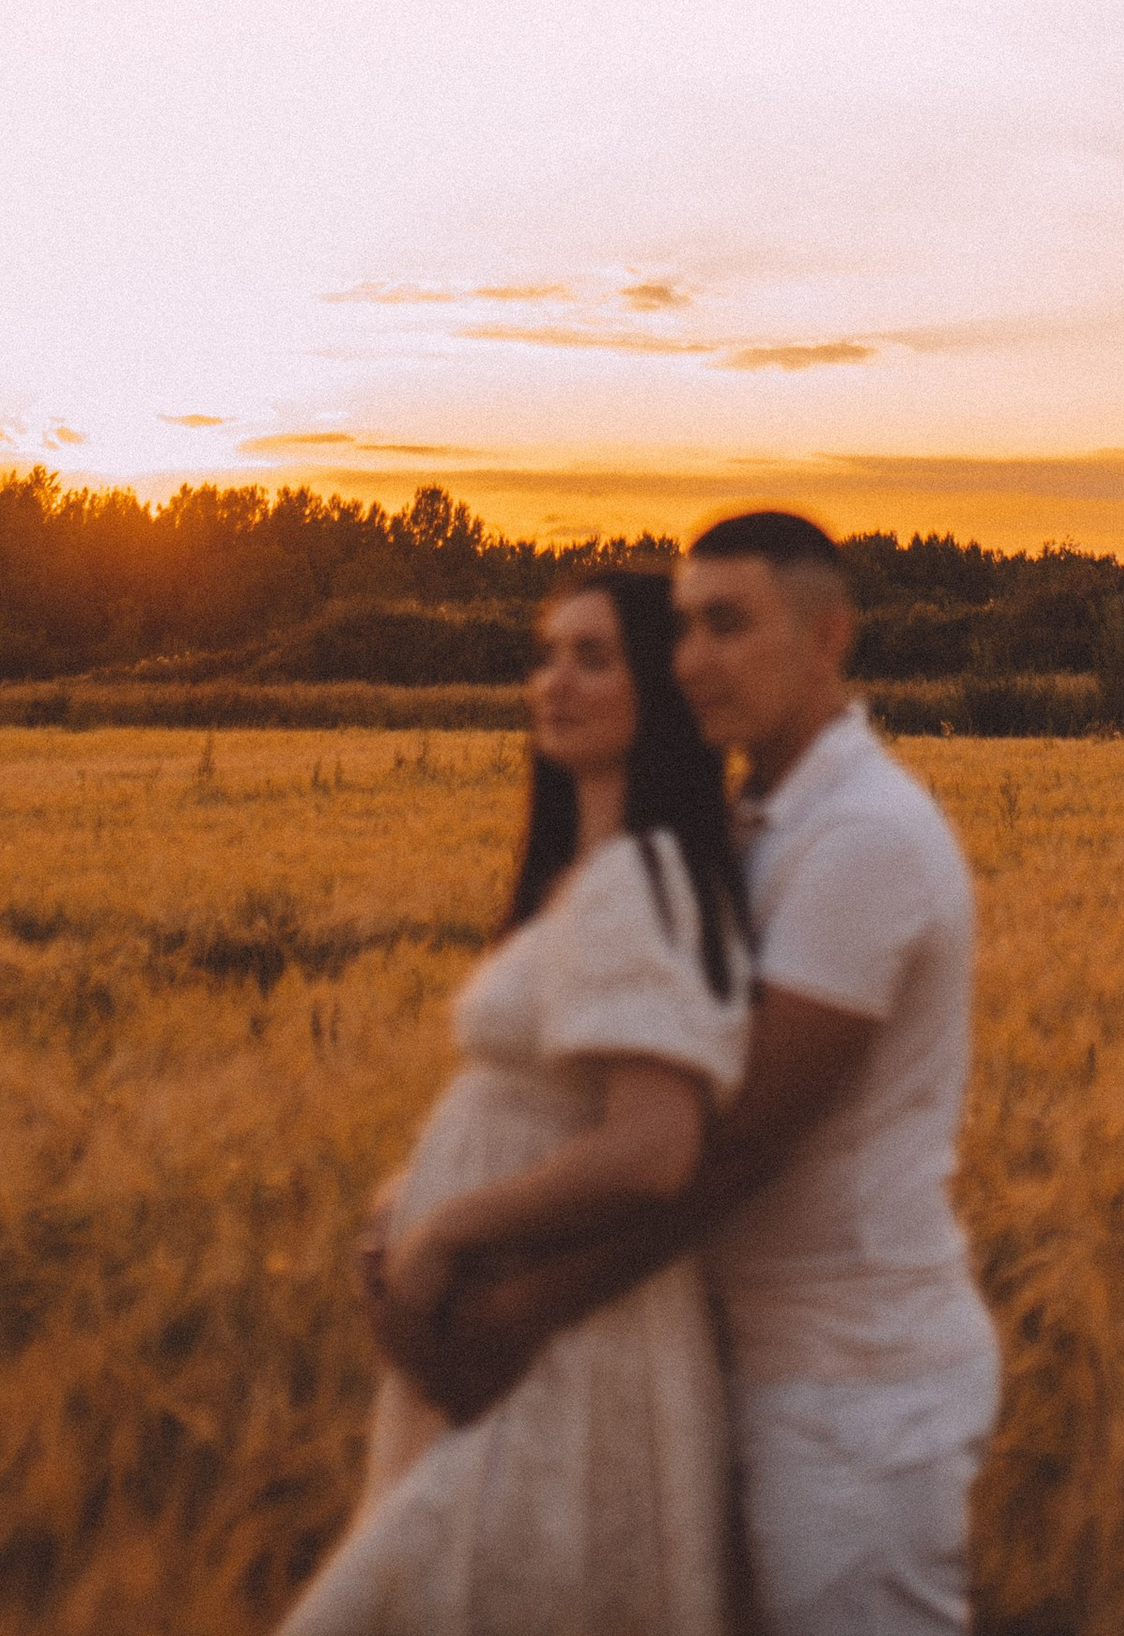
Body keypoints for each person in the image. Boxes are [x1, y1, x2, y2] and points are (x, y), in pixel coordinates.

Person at [379, 510, 998, 1636]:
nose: (695, 657)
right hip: (726, 1351)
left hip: (849, 1383)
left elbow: (738, 1142)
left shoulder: (862, 837)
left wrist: (520, 1308)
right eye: (683, 628)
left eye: (729, 623)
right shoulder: (745, 825)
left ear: (826, 639)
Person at [281, 567, 751, 1636]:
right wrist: (404, 1198)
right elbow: (542, 1099)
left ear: (662, 689)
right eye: (546, 653)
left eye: (595, 656)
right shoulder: (584, 876)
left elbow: (652, 1145)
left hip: (555, 1344)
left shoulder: (638, 878)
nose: (556, 680)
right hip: (514, 1339)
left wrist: (446, 1231)